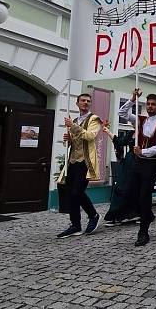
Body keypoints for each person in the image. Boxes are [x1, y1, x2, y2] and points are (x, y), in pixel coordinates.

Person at [117, 88, 156, 247]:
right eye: (148, 104)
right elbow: (122, 113)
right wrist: (132, 98)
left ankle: (143, 232)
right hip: (138, 162)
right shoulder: (140, 120)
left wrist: (143, 151)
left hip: (152, 163)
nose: (150, 106)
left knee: (144, 195)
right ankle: (148, 214)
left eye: (153, 104)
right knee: (129, 192)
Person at [57, 92, 102, 238]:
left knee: (77, 192)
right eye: (82, 100)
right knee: (72, 194)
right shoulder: (75, 119)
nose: (85, 103)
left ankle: (93, 215)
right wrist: (68, 138)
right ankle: (75, 225)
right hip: (73, 160)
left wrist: (73, 126)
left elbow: (90, 136)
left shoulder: (94, 119)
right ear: (77, 103)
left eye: (88, 101)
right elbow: (75, 140)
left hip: (85, 161)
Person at [103, 125, 139, 223]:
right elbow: (119, 141)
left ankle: (134, 214)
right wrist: (107, 131)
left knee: (133, 189)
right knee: (121, 187)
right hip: (128, 163)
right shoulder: (131, 133)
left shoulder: (146, 133)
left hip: (139, 162)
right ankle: (116, 215)